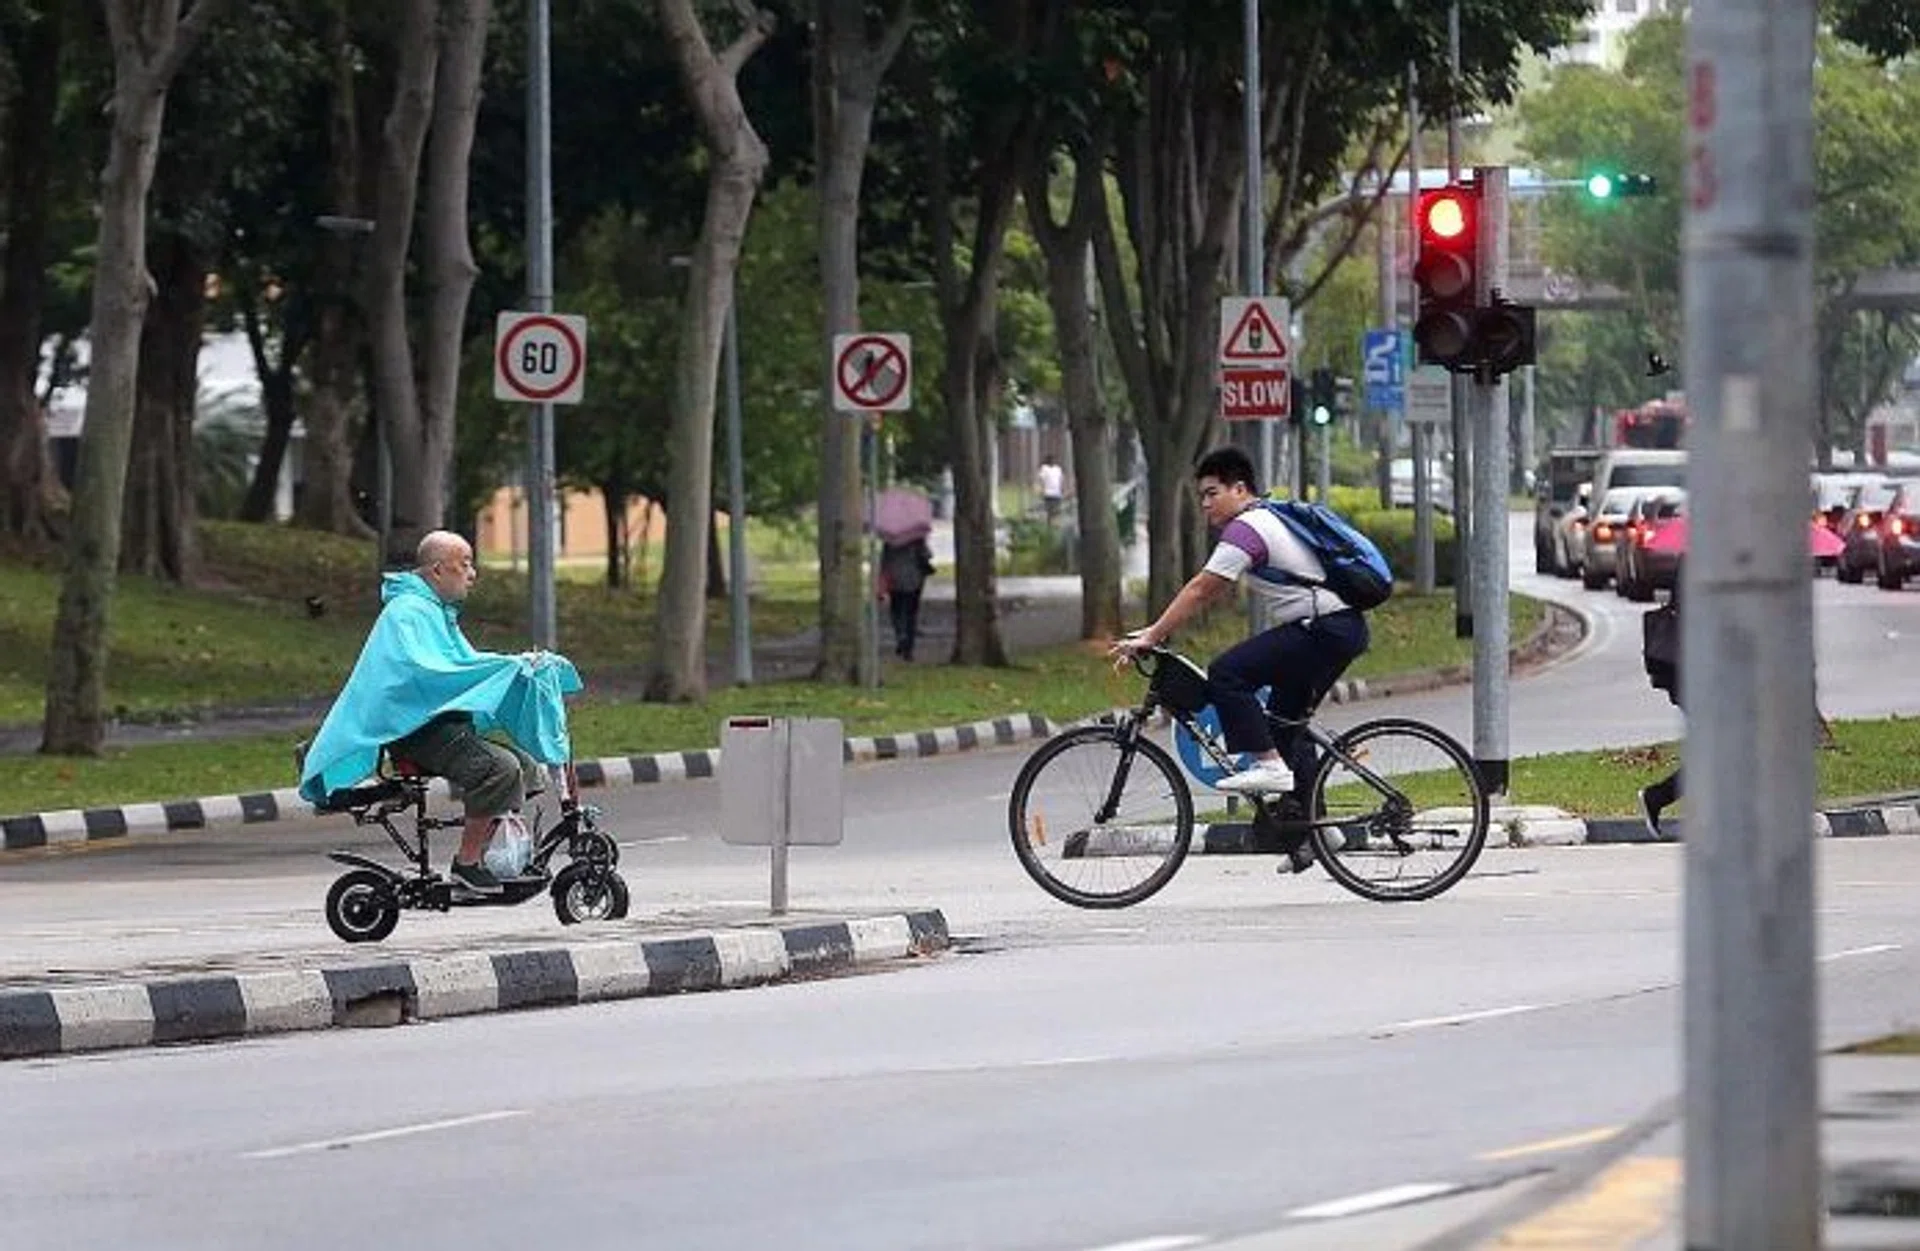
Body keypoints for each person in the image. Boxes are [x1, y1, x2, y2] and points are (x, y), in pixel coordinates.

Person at [299, 530, 582, 895]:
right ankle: (467, 865)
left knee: (527, 770)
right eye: (464, 564)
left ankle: (486, 852)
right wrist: (504, 666)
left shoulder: (434, 612)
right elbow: (431, 671)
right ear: (436, 571)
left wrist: (518, 665)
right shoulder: (408, 613)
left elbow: (460, 664)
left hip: (442, 728)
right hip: (416, 732)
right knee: (500, 769)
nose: (472, 573)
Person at [1110, 446, 1372, 838]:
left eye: (1212, 493)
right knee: (1285, 726)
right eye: (1201, 496)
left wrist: (1152, 634)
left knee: (1227, 673)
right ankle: (1315, 832)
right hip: (1335, 629)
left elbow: (1202, 589)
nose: (1205, 504)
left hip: (1324, 629)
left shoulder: (1248, 528)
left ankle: (1269, 768)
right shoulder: (1266, 518)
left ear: (1240, 489)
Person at [879, 535, 935, 660]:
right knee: (911, 613)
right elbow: (927, 555)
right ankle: (908, 646)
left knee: (896, 610)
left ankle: (900, 634)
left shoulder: (890, 542)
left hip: (895, 580)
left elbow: (884, 562)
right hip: (914, 579)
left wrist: (882, 582)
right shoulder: (917, 539)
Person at [1036, 454, 1066, 524]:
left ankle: (1054, 523)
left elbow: (1061, 480)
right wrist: (1041, 490)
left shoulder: (1058, 469)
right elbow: (1041, 480)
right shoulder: (1044, 468)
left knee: (1056, 511)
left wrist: (1063, 490)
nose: (1052, 462)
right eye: (1050, 460)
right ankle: (1050, 523)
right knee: (1049, 511)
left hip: (1057, 493)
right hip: (1048, 493)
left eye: (1053, 460)